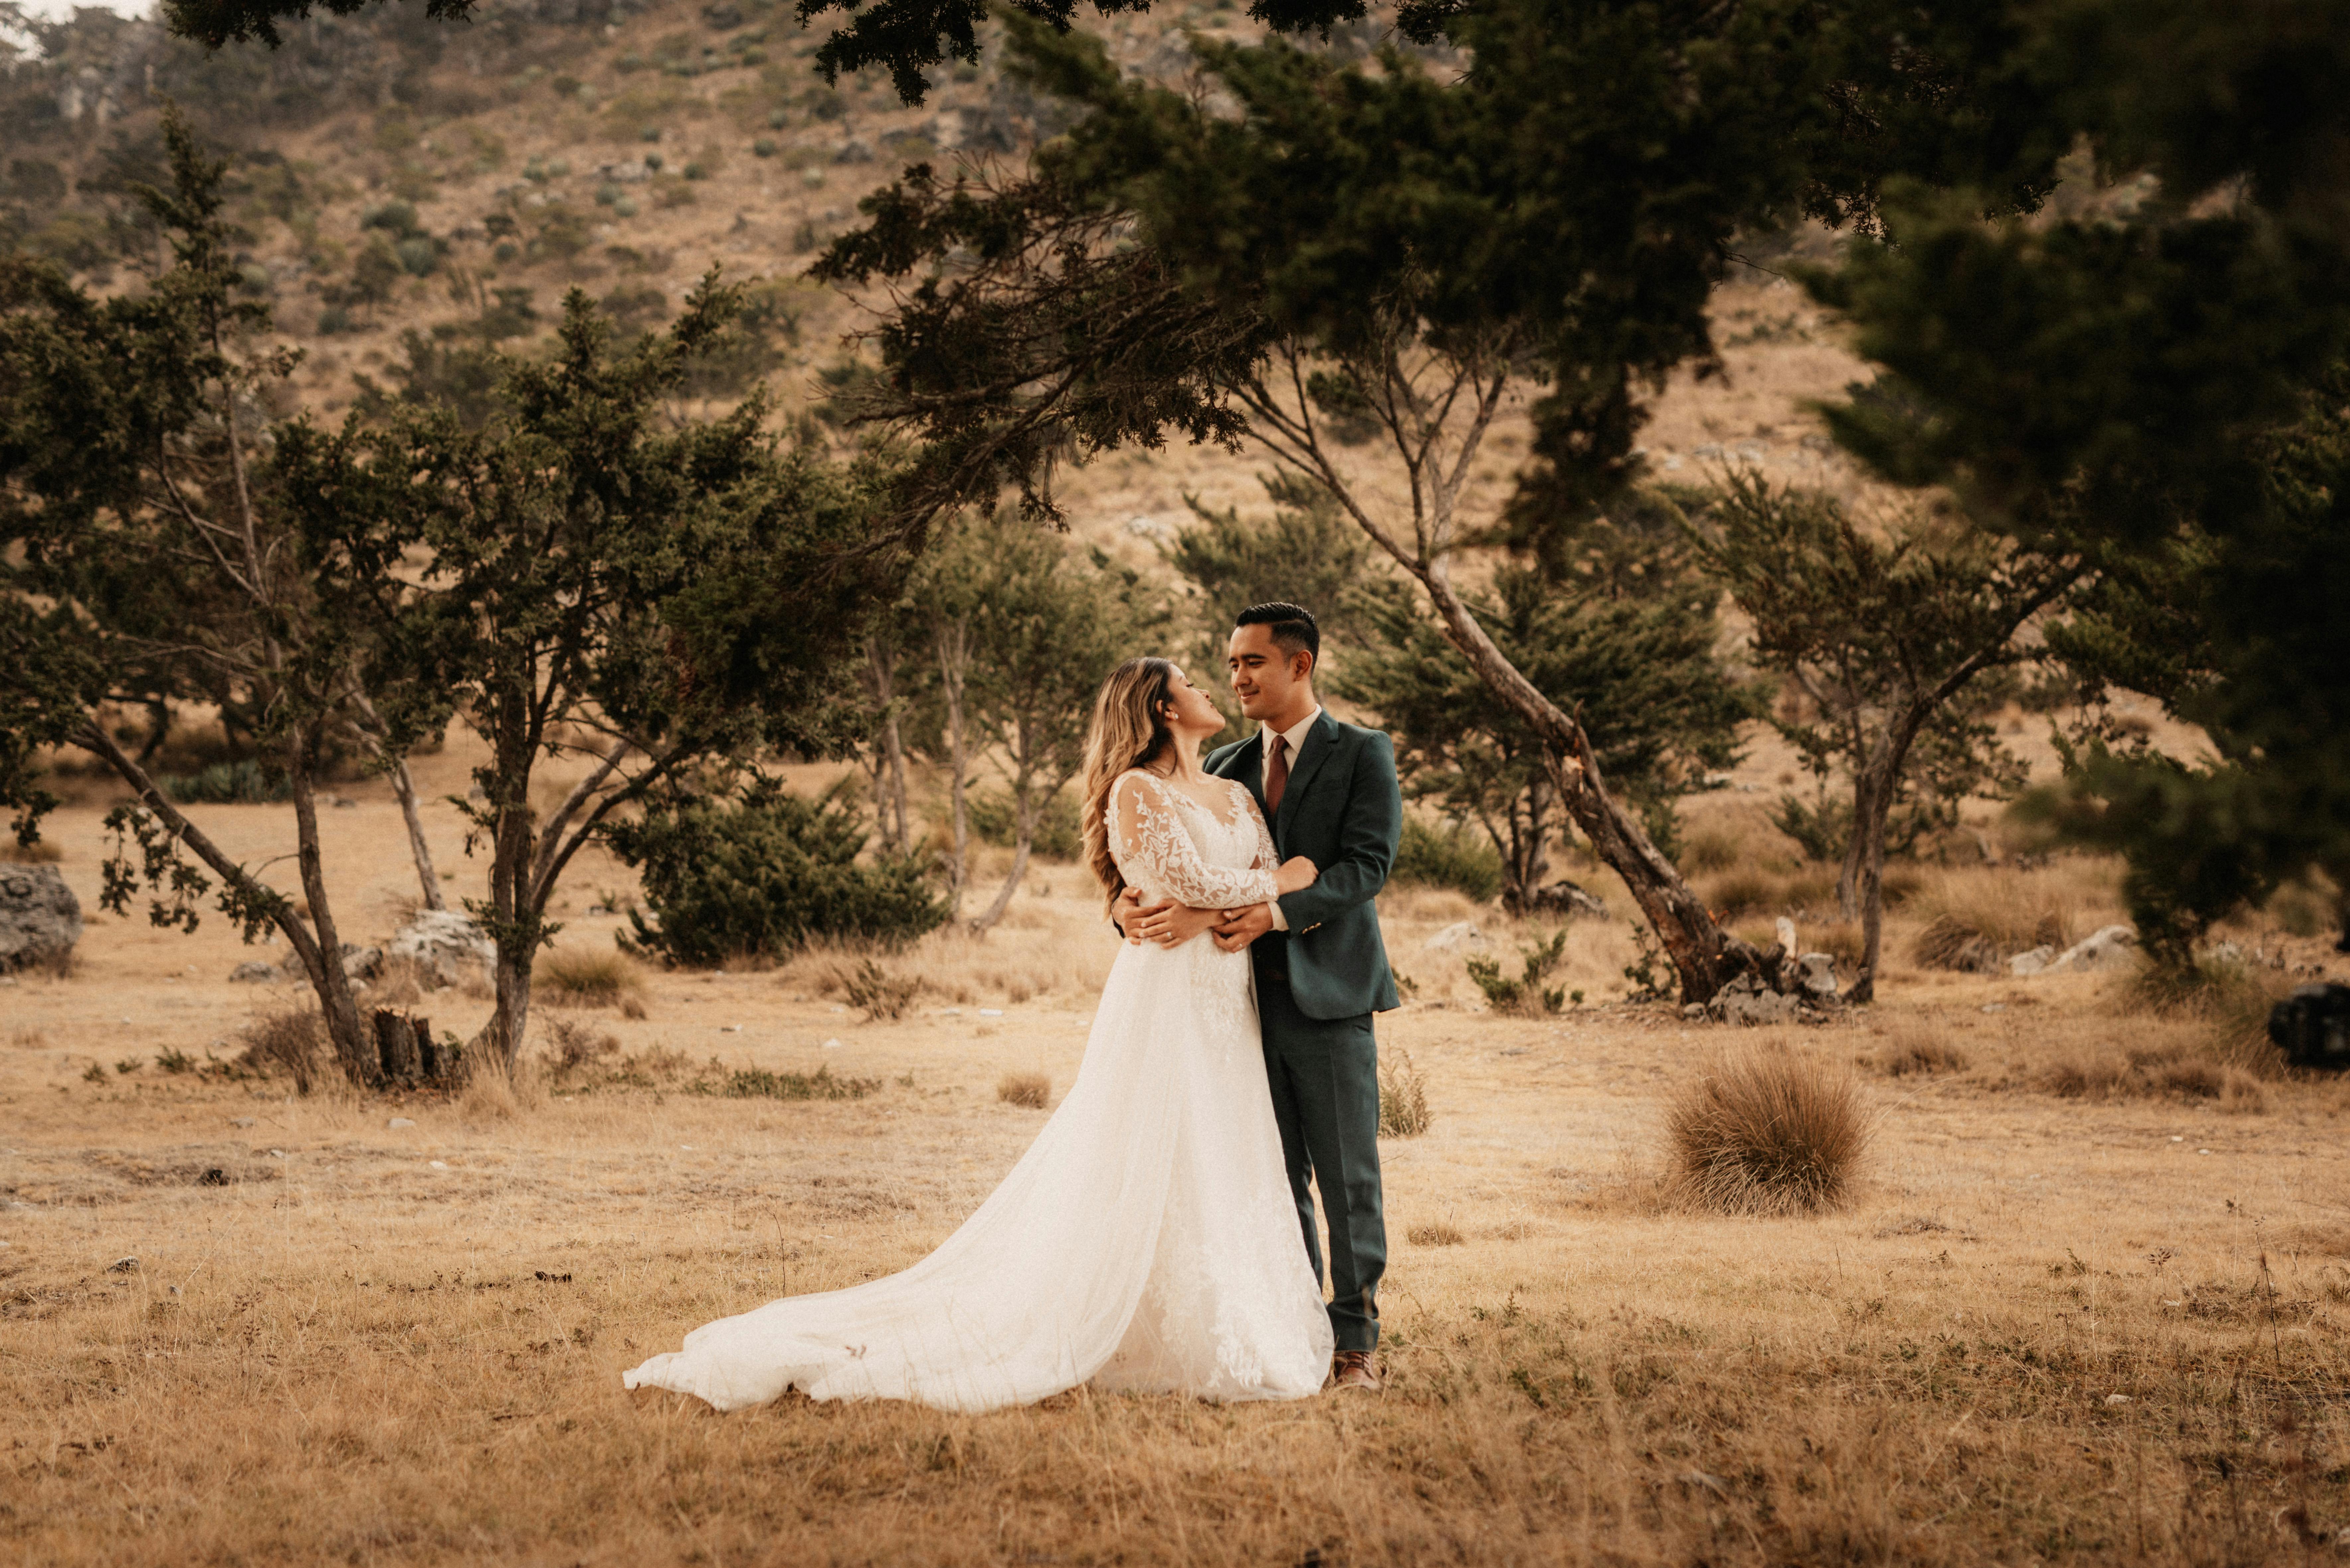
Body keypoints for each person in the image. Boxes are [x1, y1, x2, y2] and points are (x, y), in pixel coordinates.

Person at [623, 657, 1334, 1413]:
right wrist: (1282, 880)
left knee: (1221, 1149)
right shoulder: (1135, 791)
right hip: (1166, 998)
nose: (1209, 687)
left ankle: (1212, 1325)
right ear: (1161, 708)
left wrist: (1262, 881)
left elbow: (1240, 871)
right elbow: (1209, 884)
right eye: (1192, 681)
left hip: (1226, 999)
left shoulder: (1232, 791)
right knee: (1148, 1142)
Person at [1121, 603, 1402, 1392]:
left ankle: (1355, 1346)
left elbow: (1366, 866)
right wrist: (1124, 908)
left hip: (1332, 996)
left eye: (1251, 663)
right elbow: (1161, 862)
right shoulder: (1229, 770)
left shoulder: (1363, 754)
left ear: (1299, 666)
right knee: (1270, 1181)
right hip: (1236, 1011)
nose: (1237, 677)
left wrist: (1276, 910)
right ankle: (1296, 1331)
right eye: (1231, 664)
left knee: (1348, 1180)